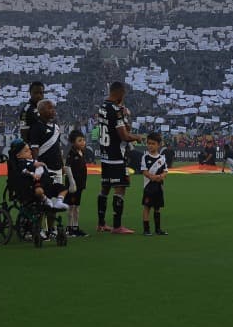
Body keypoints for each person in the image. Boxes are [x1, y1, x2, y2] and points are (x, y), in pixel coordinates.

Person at [96, 81, 141, 234]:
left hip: (104, 155)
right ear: (120, 93)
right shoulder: (116, 110)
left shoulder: (102, 107)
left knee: (105, 187)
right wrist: (137, 137)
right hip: (116, 155)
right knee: (120, 188)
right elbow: (124, 135)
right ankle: (117, 226)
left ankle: (101, 223)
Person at [29, 100, 68, 239]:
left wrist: (62, 165)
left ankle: (51, 229)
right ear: (41, 111)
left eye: (53, 108)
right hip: (45, 170)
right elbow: (34, 149)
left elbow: (58, 148)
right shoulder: (36, 127)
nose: (53, 110)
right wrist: (36, 166)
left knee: (54, 201)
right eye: (49, 108)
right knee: (43, 201)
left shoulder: (56, 127)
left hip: (57, 168)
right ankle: (40, 228)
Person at [138, 132, 169, 237]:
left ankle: (158, 229)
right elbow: (144, 171)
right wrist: (153, 177)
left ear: (158, 145)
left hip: (158, 187)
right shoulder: (145, 157)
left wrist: (162, 176)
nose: (150, 145)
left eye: (153, 143)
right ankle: (146, 229)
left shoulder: (162, 158)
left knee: (157, 208)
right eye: (149, 143)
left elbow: (165, 171)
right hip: (148, 187)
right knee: (147, 207)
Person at [64, 129, 89, 238]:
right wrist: (71, 182)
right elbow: (67, 167)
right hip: (73, 184)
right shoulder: (72, 153)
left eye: (83, 140)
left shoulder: (81, 152)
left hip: (80, 183)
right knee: (71, 206)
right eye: (80, 140)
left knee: (76, 207)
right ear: (73, 142)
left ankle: (75, 227)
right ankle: (69, 228)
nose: (83, 142)